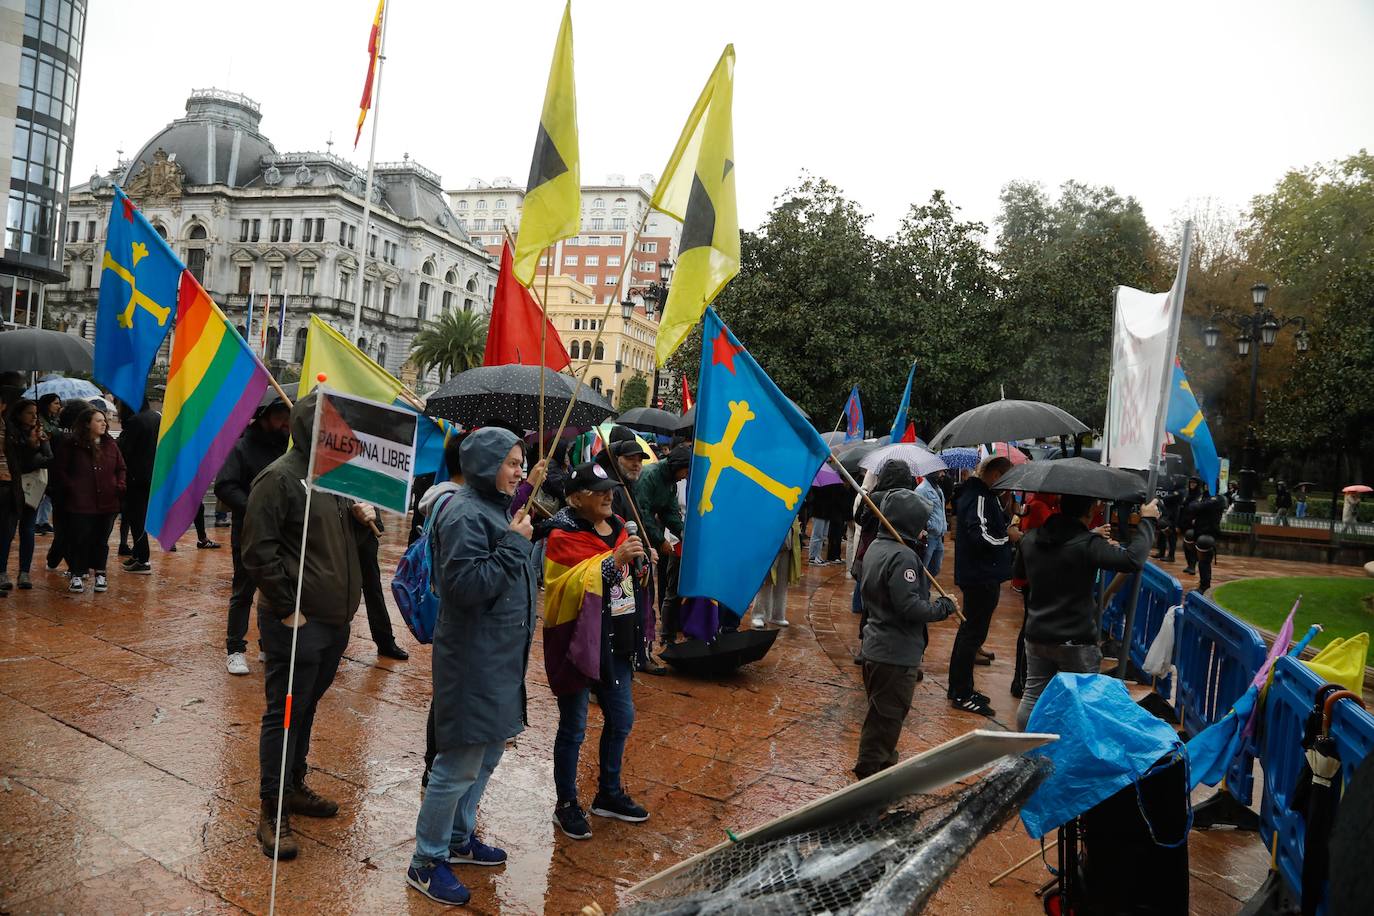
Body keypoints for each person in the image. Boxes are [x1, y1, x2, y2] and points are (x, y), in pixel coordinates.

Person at [406, 428, 539, 906]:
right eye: (511, 463)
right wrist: (515, 544)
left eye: (522, 462)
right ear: (484, 465)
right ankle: (426, 860)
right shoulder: (464, 512)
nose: (519, 471)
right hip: (473, 657)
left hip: (500, 656)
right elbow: (464, 586)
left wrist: (514, 525)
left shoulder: (494, 506)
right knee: (458, 761)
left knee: (487, 753)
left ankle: (459, 839)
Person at [242, 391, 369, 862]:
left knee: (307, 707)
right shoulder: (277, 480)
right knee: (285, 711)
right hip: (297, 621)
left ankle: (294, 784)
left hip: (332, 622)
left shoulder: (331, 479)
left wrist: (360, 520)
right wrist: (288, 608)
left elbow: (331, 546)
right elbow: (259, 552)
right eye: (336, 430)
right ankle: (272, 810)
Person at [543, 461, 653, 842]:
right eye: (598, 490)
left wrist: (640, 566)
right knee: (573, 727)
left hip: (616, 639)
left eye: (609, 489)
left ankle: (608, 793)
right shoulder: (562, 533)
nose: (608, 495)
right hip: (577, 639)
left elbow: (624, 581)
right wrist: (613, 562)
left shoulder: (621, 527)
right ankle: (566, 804)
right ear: (576, 498)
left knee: (621, 717)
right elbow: (563, 586)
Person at [1014, 495, 1159, 729]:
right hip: (1076, 640)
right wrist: (1148, 522)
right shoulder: (1088, 545)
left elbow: (1019, 571)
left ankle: (1026, 749)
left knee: (1032, 696)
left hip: (1037, 632)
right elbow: (1133, 559)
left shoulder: (1031, 539)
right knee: (1081, 703)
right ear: (1091, 510)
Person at [853, 488, 957, 779]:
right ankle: (871, 783)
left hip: (877, 646)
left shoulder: (876, 547)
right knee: (885, 723)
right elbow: (910, 607)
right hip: (894, 653)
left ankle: (881, 770)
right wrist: (943, 607)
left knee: (882, 718)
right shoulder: (902, 556)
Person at [213, 398, 290, 676]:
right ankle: (235, 649)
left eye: (289, 417)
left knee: (277, 589)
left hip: (281, 533)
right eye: (282, 416)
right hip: (249, 531)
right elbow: (225, 485)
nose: (286, 423)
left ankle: (269, 643)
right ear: (266, 417)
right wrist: (255, 509)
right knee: (243, 590)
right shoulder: (243, 447)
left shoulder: (288, 449)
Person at [948, 456, 1019, 717]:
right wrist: (1006, 538)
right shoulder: (978, 496)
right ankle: (961, 692)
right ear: (994, 474)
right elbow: (981, 536)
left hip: (983, 574)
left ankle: (961, 687)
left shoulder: (985, 496)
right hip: (980, 575)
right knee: (971, 634)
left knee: (972, 633)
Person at [418, 431, 468, 798]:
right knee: (449, 693)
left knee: (447, 691)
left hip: (449, 611)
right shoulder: (455, 505)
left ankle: (434, 764)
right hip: (456, 614)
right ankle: (436, 767)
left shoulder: (443, 499)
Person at [596, 431, 666, 675]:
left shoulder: (630, 485)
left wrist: (647, 548)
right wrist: (640, 551)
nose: (637, 464)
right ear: (618, 459)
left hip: (637, 558)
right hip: (618, 564)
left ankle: (638, 655)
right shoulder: (611, 486)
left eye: (639, 459)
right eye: (630, 459)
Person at [51, 406, 125, 594]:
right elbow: (59, 470)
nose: (104, 423)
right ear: (86, 424)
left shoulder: (110, 444)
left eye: (104, 420)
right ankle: (77, 573)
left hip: (108, 502)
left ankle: (100, 573)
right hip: (80, 503)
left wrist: (119, 485)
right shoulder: (71, 445)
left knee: (101, 540)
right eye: (99, 420)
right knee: (79, 538)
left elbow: (121, 468)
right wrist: (72, 487)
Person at [635, 444, 689, 640]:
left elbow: (670, 512)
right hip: (636, 534)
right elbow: (643, 514)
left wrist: (683, 533)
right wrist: (660, 540)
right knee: (643, 588)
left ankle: (663, 634)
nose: (686, 475)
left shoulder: (671, 482)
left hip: (651, 535)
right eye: (686, 470)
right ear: (677, 465)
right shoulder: (650, 476)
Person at [1010, 492, 1059, 698]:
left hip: (1033, 574)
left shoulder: (1039, 505)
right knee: (1029, 627)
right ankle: (1020, 678)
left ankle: (1021, 678)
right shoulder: (1041, 507)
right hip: (1034, 576)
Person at [2, 398, 53, 593]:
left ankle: (24, 572)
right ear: (18, 414)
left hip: (34, 489)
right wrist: (31, 448)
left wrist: (38, 444)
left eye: (35, 413)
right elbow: (16, 463)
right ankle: (2, 571)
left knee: (28, 529)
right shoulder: (10, 433)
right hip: (13, 487)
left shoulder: (40, 433)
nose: (34, 417)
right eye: (29, 413)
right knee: (7, 530)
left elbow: (49, 459)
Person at [116, 398, 160, 575]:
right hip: (152, 475)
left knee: (137, 519)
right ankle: (137, 554)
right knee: (139, 517)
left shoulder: (135, 421)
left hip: (137, 477)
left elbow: (124, 449)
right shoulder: (155, 416)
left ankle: (142, 559)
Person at [752, 517, 801, 629]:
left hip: (788, 538)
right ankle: (759, 614)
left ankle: (778, 614)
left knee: (782, 581)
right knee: (767, 580)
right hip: (770, 537)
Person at [1179, 476, 1227, 593]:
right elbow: (1191, 506)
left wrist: (1199, 506)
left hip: (1209, 532)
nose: (1207, 486)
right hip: (1198, 530)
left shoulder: (1218, 499)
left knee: (1204, 552)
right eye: (1206, 484)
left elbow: (1200, 506)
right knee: (1189, 538)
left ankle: (1205, 585)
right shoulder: (1202, 497)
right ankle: (1194, 570)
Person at [32, 394, 61, 535]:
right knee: (42, 490)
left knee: (48, 492)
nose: (58, 406)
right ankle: (37, 521)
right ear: (47, 404)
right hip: (43, 459)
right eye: (55, 403)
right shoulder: (40, 421)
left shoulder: (54, 419)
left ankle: (42, 521)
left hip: (52, 458)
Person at [916, 471, 948, 577]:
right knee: (923, 569)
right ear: (931, 473)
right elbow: (919, 512)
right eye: (940, 472)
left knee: (935, 568)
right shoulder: (921, 490)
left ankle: (926, 590)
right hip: (929, 536)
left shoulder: (938, 489)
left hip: (939, 536)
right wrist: (930, 526)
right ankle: (922, 592)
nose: (943, 474)